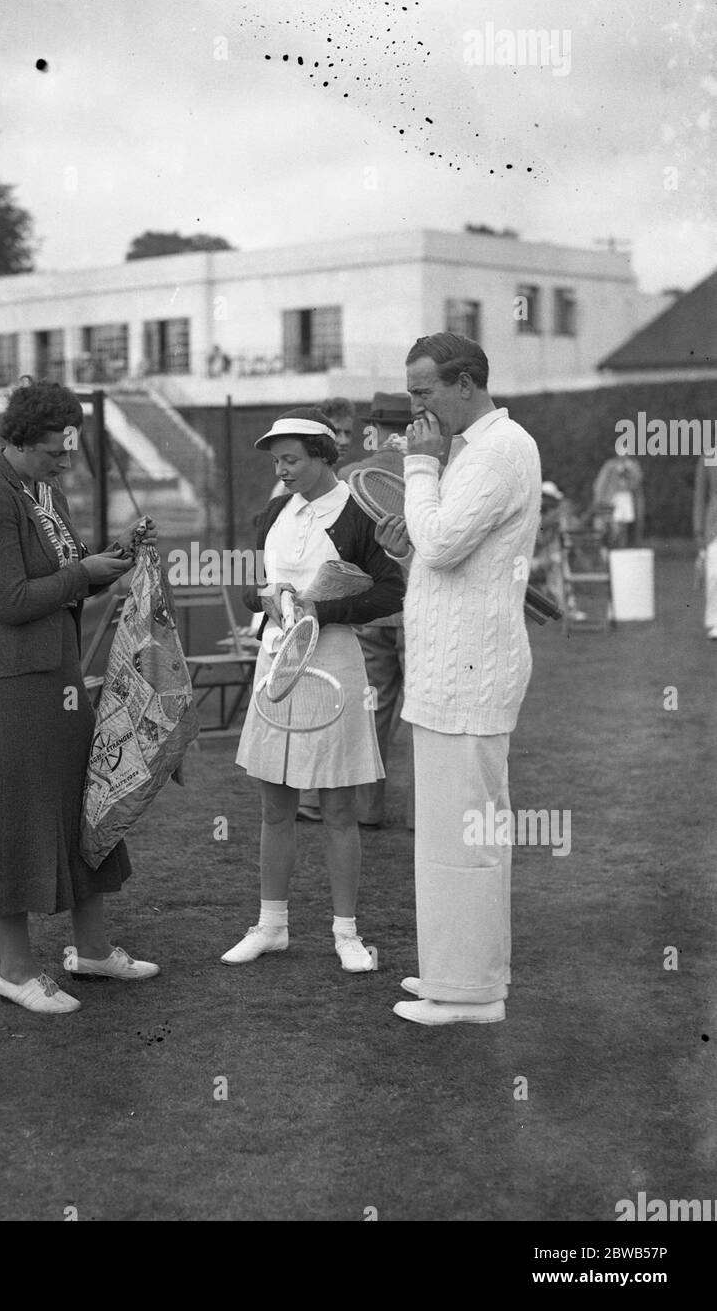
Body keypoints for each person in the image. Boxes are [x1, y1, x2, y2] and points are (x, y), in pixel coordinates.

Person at [0, 381, 160, 1015]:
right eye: (52, 453)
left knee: (81, 805)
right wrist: (83, 573)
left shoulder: (41, 491)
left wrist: (110, 562)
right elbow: (12, 600)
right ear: (13, 441)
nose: (64, 464)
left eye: (69, 452)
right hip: (9, 684)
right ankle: (15, 970)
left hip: (55, 675)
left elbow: (63, 583)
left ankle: (92, 951)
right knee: (12, 817)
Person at [375, 333, 541, 1025]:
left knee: (467, 839)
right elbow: (442, 545)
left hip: (472, 673)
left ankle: (473, 994)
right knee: (444, 839)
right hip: (451, 671)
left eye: (423, 392)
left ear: (466, 382)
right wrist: (409, 530)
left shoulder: (498, 451)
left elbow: (442, 543)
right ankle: (453, 976)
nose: (414, 407)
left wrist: (417, 472)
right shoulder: (472, 452)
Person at [223, 408, 405, 972]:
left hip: (334, 665)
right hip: (277, 664)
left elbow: (390, 591)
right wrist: (268, 601)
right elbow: (259, 587)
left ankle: (346, 934)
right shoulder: (274, 513)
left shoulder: (355, 512)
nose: (282, 470)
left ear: (324, 457)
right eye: (277, 460)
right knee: (274, 806)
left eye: (293, 459)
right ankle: (271, 926)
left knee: (337, 809)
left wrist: (322, 610)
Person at [299, 392, 414, 829]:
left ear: (377, 428)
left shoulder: (350, 476)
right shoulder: (434, 472)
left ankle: (367, 809)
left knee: (373, 708)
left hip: (371, 610)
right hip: (416, 607)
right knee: (420, 710)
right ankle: (422, 815)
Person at [591, 449, 644, 547]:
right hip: (614, 497)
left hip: (627, 496)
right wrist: (599, 497)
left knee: (625, 524)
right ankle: (612, 545)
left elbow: (637, 480)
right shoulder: (610, 465)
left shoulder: (632, 465)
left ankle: (623, 546)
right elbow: (601, 481)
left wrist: (629, 471)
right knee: (614, 523)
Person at [693, 446, 717, 639]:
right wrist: (699, 530)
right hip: (714, 524)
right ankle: (714, 621)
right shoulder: (710, 456)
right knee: (714, 574)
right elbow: (700, 496)